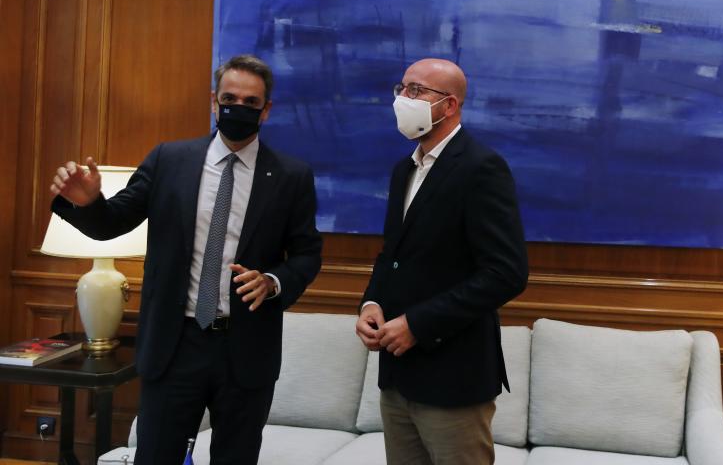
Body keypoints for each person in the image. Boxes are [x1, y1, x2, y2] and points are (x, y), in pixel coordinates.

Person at [49, 54, 323, 465]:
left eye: (251, 103)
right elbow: (112, 224)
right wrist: (89, 204)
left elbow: (307, 254)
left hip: (246, 349)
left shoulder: (290, 175)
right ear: (214, 101)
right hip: (175, 344)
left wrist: (272, 281)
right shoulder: (168, 160)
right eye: (229, 98)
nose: (238, 108)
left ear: (266, 110)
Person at [356, 58, 528, 465]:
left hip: (453, 377)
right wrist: (371, 303)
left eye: (416, 91)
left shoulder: (481, 168)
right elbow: (391, 255)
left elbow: (506, 273)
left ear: (448, 105)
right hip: (397, 375)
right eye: (402, 88)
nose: (403, 98)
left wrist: (418, 324)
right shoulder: (404, 170)